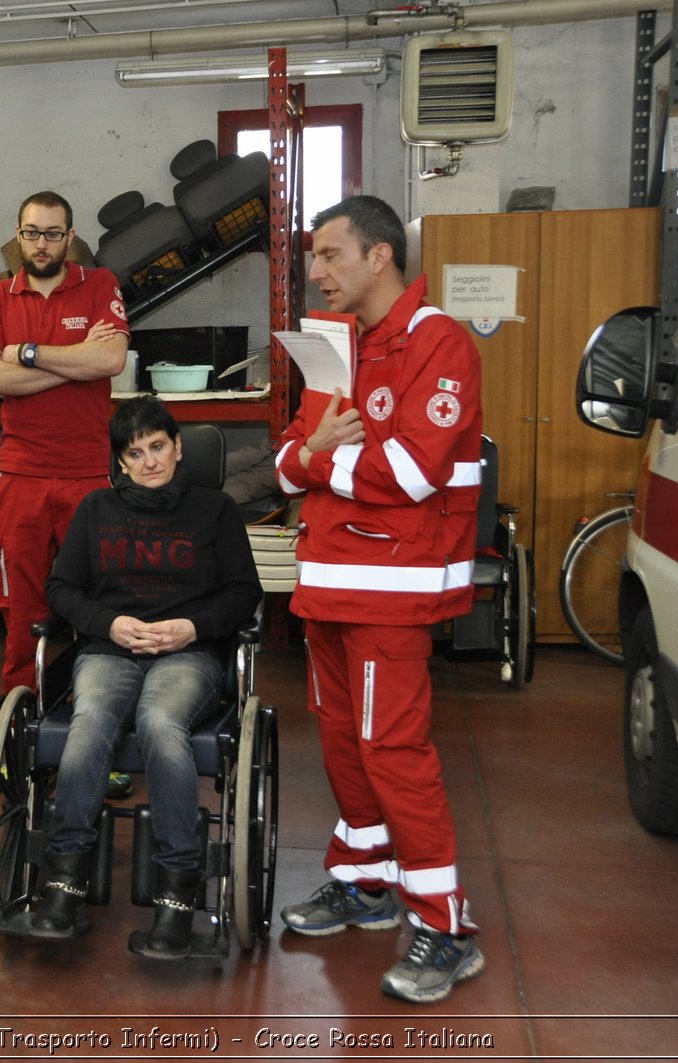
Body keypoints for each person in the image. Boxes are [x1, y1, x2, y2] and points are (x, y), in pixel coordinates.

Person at [273, 195, 486, 1004]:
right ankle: (363, 878)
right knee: (343, 743)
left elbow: (411, 472)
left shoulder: (440, 343)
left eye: (329, 256)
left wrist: (319, 457)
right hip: (325, 583)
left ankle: (446, 923)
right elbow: (287, 463)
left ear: (380, 257)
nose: (317, 273)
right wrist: (318, 454)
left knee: (394, 750)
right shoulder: (334, 348)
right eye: (314, 258)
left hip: (392, 595)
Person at [35, 397, 262, 958]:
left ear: (179, 447)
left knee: (161, 724)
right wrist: (110, 625)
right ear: (120, 463)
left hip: (188, 653)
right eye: (134, 453)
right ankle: (63, 883)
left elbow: (244, 593)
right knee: (89, 726)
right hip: (111, 650)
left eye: (158, 446)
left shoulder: (216, 510)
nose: (150, 461)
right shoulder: (95, 511)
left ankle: (178, 890)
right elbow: (62, 591)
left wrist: (191, 626)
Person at [0, 191, 130, 695]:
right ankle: (23, 710)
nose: (42, 244)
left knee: (99, 601)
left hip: (87, 474)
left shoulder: (100, 284)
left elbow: (110, 362)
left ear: (71, 237)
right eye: (32, 233)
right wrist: (76, 359)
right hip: (21, 477)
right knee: (22, 607)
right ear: (18, 236)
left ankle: (97, 709)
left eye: (53, 234)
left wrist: (30, 354)